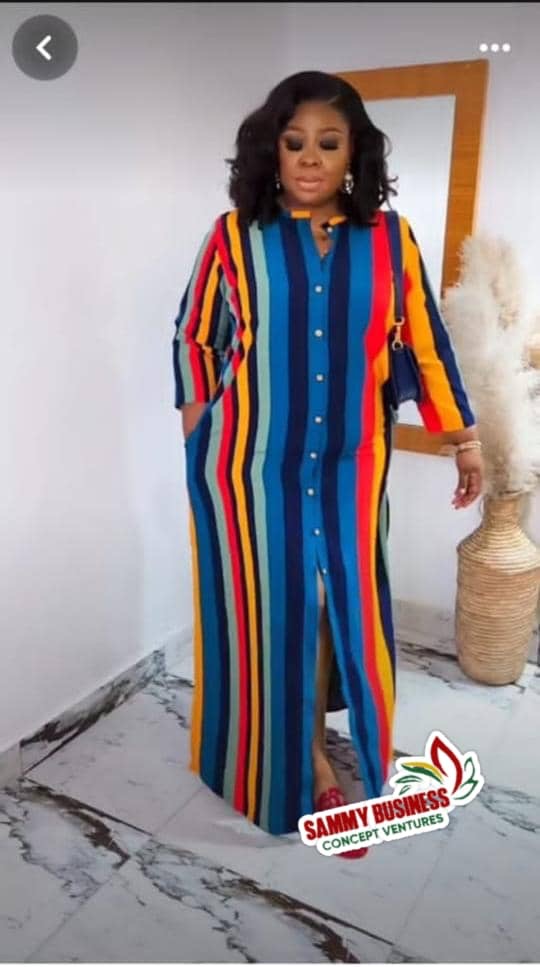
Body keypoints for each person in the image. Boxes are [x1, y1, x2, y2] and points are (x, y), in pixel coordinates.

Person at [171, 70, 484, 858]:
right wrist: (199, 427)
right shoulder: (234, 236)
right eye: (294, 141)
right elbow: (196, 334)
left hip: (353, 462)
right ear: (271, 151)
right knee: (268, 610)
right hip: (249, 463)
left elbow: (424, 339)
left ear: (354, 155)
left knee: (336, 602)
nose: (310, 158)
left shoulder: (390, 239)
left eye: (329, 142)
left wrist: (463, 437)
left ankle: (319, 747)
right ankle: (289, 760)